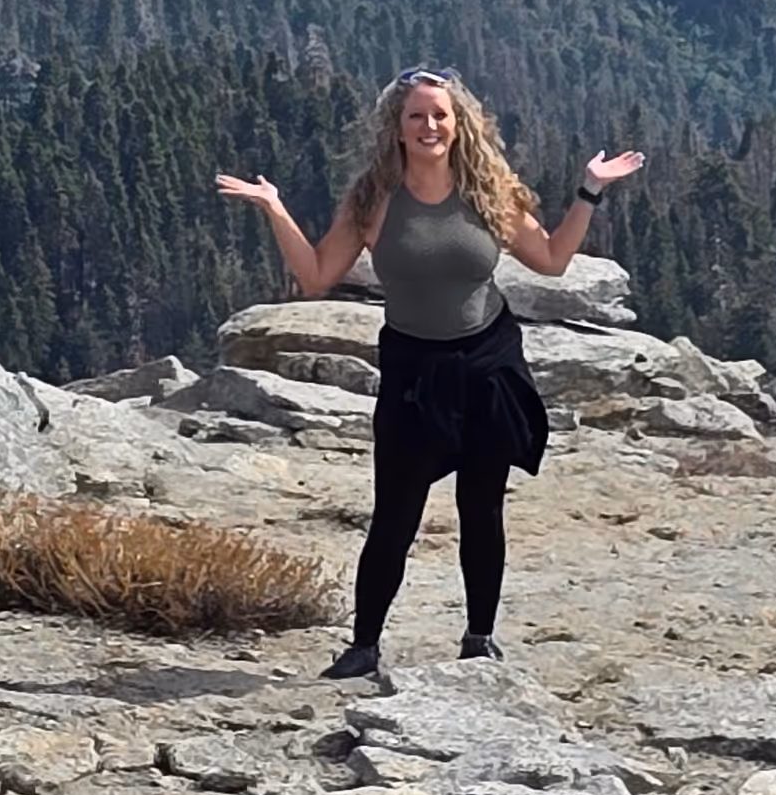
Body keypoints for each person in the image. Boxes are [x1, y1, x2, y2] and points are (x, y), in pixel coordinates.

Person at [217, 69, 643, 677]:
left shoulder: (488, 191)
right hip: (414, 370)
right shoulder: (372, 200)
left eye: (440, 114)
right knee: (395, 512)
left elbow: (550, 260)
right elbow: (316, 276)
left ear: (458, 122)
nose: (430, 126)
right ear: (395, 127)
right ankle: (364, 647)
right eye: (416, 116)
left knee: (481, 507)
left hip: (489, 364)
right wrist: (274, 208)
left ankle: (479, 639)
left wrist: (589, 191)